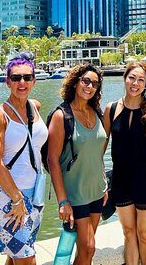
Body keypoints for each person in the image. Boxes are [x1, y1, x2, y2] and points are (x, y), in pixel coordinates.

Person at [0, 52, 48, 264]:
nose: (22, 82)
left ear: (34, 81)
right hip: (11, 197)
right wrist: (17, 198)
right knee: (26, 258)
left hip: (35, 193)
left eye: (27, 77)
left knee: (16, 254)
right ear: (8, 81)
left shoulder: (34, 107)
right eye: (16, 78)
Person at [103, 62, 146, 265]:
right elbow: (101, 146)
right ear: (124, 78)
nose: (135, 83)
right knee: (128, 232)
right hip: (121, 179)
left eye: (141, 80)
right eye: (132, 77)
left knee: (145, 233)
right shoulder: (111, 109)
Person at [48, 64, 108, 265]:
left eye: (95, 84)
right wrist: (62, 201)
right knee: (89, 246)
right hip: (75, 193)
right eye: (86, 81)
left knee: (85, 251)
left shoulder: (96, 111)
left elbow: (98, 152)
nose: (90, 86)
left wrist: (103, 183)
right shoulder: (61, 115)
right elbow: (52, 160)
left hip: (97, 190)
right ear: (75, 83)